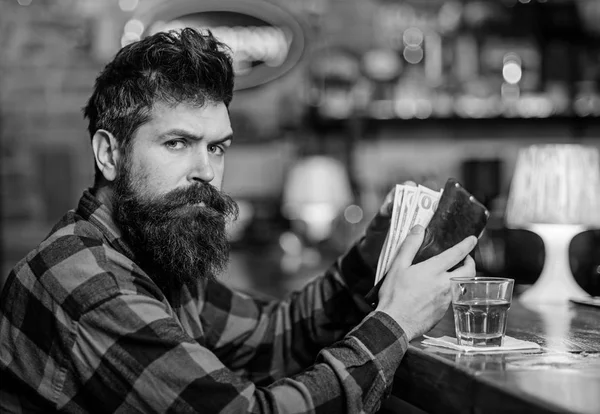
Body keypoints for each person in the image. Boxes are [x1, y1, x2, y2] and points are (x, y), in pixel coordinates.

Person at [0, 29, 477, 413]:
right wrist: (395, 321)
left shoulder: (149, 249)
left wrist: (372, 254)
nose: (206, 171)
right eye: (176, 143)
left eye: (216, 147)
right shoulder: (85, 282)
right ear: (109, 153)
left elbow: (274, 337)